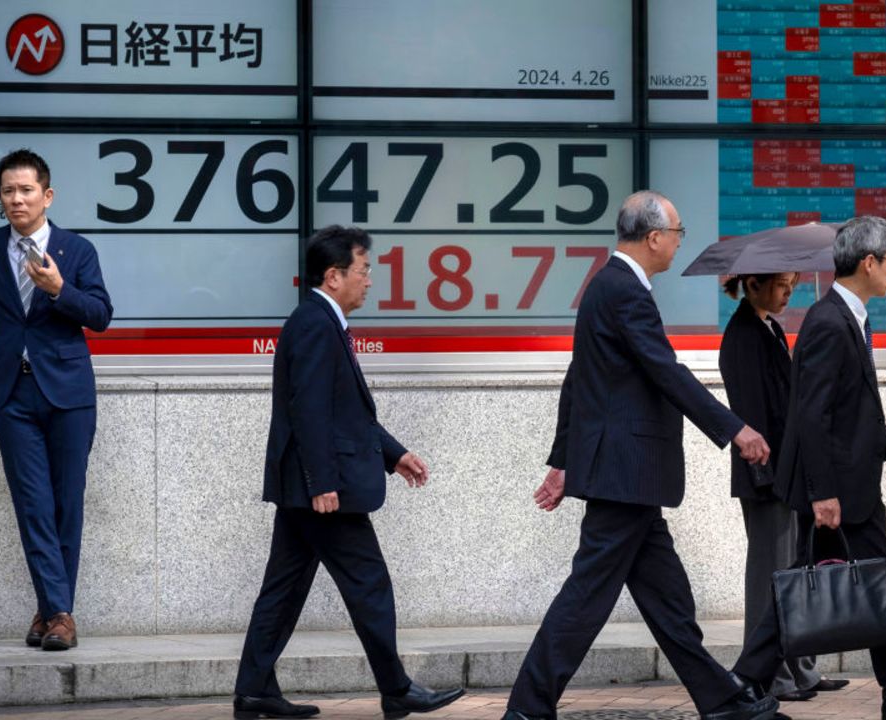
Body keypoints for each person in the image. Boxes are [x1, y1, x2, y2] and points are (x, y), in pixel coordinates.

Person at [503, 191, 778, 720]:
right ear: (653, 237)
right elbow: (664, 370)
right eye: (677, 232)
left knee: (668, 600)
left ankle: (720, 701)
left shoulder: (608, 287)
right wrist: (733, 428)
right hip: (625, 472)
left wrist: (563, 461)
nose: (678, 242)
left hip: (626, 475)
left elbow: (579, 377)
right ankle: (527, 708)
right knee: (586, 598)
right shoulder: (625, 290)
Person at [233, 226, 464, 720]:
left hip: (309, 485)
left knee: (284, 587)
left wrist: (394, 454)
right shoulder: (316, 324)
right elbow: (310, 410)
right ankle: (396, 688)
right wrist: (324, 484)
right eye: (363, 270)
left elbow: (348, 415)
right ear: (334, 276)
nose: (369, 280)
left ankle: (253, 689)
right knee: (370, 583)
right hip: (321, 489)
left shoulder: (320, 321)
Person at [733, 216, 886, 720]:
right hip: (835, 490)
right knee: (848, 583)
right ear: (869, 262)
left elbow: (857, 406)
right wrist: (823, 492)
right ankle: (747, 683)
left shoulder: (850, 316)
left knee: (871, 581)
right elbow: (810, 414)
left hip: (851, 482)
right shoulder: (829, 321)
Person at [0, 148, 112, 651]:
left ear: (47, 195)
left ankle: (49, 611)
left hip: (69, 394)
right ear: (1, 199)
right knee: (33, 505)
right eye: (8, 192)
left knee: (66, 506)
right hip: (12, 396)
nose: (17, 199)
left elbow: (101, 314)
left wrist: (60, 289)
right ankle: (60, 613)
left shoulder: (76, 250)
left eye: (26, 190)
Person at [718, 271, 848, 704]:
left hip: (787, 473)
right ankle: (769, 676)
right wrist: (771, 476)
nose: (789, 291)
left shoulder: (770, 328)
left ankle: (801, 668)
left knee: (793, 573)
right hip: (767, 476)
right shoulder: (742, 336)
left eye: (793, 282)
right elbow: (754, 416)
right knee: (768, 578)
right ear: (753, 284)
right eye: (781, 284)